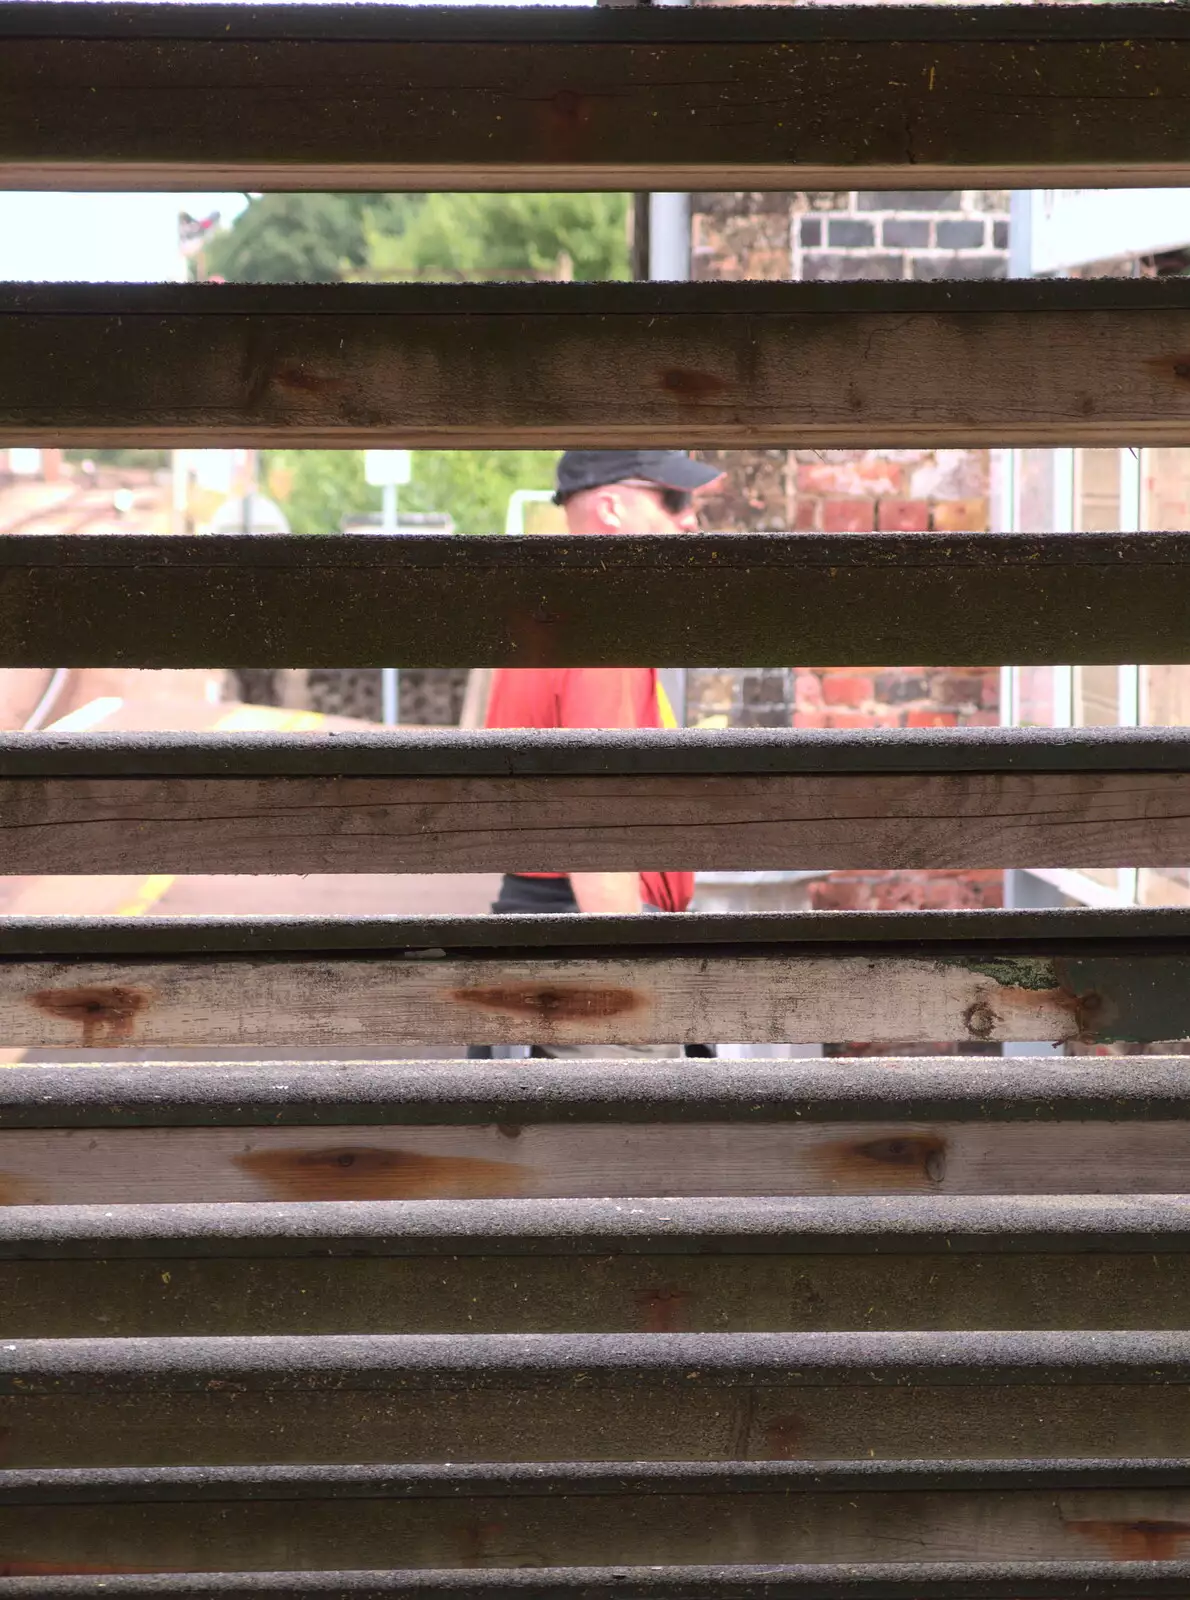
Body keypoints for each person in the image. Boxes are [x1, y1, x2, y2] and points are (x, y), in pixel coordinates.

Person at [472, 448, 725, 1060]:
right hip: (592, 945)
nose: (687, 518)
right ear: (612, 507)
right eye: (672, 499)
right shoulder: (597, 629)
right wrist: (640, 1009)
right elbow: (597, 823)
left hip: (549, 936)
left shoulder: (551, 612)